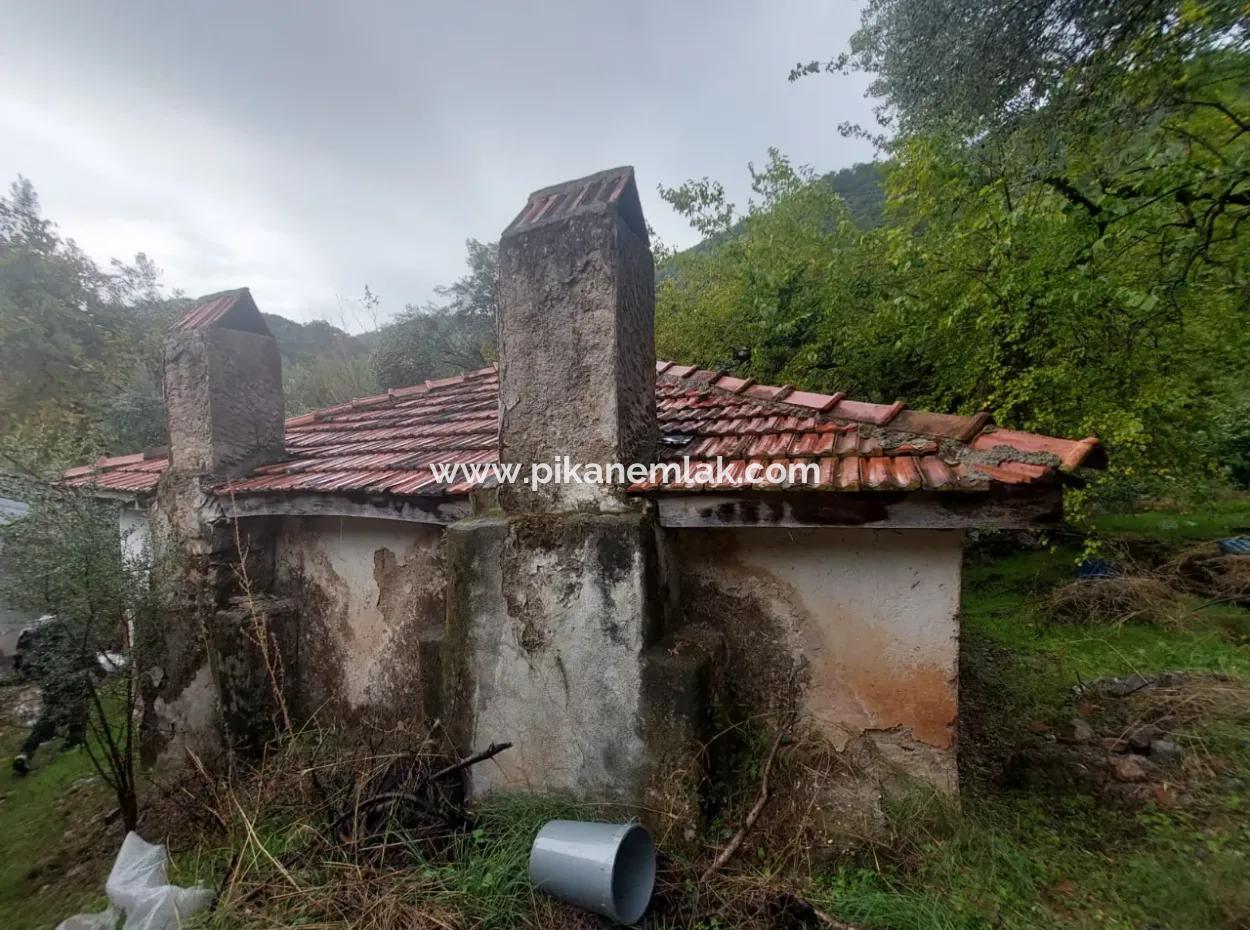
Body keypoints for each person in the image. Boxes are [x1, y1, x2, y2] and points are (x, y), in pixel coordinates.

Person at [11, 616, 96, 775]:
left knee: (51, 713)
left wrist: (39, 677)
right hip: (69, 676)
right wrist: (98, 670)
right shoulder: (68, 629)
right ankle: (75, 739)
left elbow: (23, 663)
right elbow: (87, 654)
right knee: (79, 703)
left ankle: (26, 751)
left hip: (49, 678)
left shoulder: (33, 631)